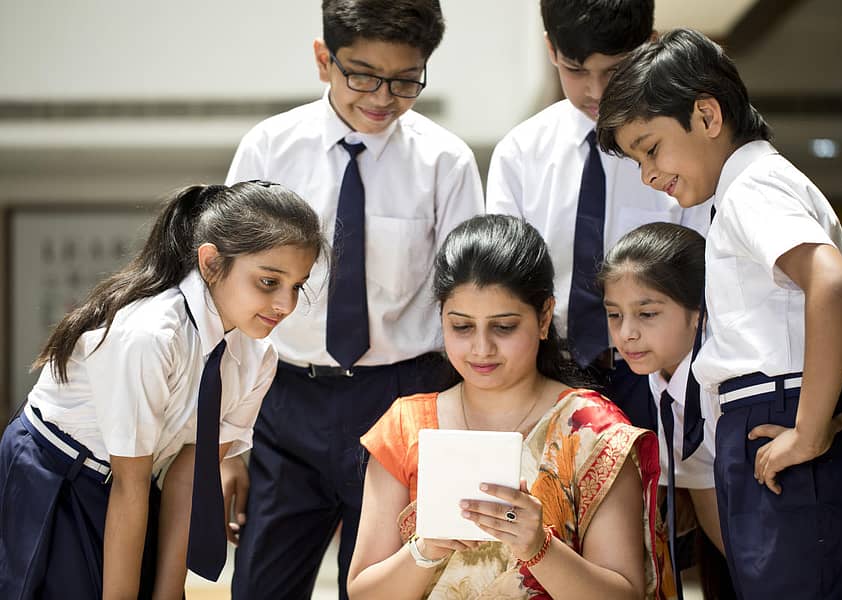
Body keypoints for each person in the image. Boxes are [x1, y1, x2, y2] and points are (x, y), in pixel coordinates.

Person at [596, 28, 842, 599]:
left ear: (707, 115)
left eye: (650, 149)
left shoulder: (752, 186)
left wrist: (810, 431)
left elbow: (834, 284)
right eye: (636, 160)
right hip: (785, 422)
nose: (647, 174)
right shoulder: (748, 189)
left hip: (782, 424)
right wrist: (834, 414)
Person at [221, 1, 484, 598]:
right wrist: (222, 442)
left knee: (379, 588)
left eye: (405, 80)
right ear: (324, 60)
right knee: (261, 586)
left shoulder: (446, 162)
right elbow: (228, 307)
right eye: (363, 76)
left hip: (402, 399)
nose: (383, 97)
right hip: (286, 397)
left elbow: (468, 302)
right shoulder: (269, 148)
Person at [0, 181, 324, 600]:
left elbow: (190, 476)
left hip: (134, 484)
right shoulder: (150, 335)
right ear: (211, 263)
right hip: (56, 472)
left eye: (297, 286)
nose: (286, 305)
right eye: (268, 282)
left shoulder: (259, 357)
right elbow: (129, 485)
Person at [347, 214, 661, 600]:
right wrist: (425, 549)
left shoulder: (593, 432)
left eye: (504, 327)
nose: (482, 348)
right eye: (462, 327)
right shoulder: (406, 427)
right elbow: (363, 593)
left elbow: (625, 595)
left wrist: (539, 548)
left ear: (544, 317)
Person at [485, 0, 710, 432]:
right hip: (547, 371)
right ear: (551, 50)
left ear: (649, 48)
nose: (596, 90)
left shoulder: (677, 152)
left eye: (615, 71)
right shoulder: (520, 154)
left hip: (656, 372)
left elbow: (702, 278)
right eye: (575, 70)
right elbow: (504, 286)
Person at [599, 222, 730, 599]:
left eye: (647, 314)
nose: (626, 333)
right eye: (614, 315)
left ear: (699, 311)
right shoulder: (659, 378)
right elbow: (708, 498)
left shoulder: (731, 381)